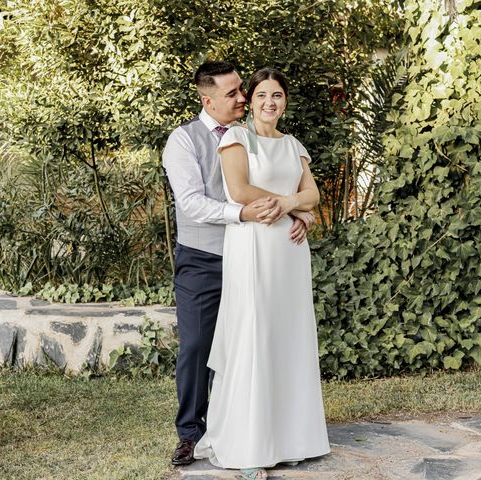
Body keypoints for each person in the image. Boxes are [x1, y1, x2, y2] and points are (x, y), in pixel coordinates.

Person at [162, 61, 312, 467]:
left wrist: (299, 211)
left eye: (242, 89)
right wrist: (245, 214)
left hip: (254, 256)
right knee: (198, 345)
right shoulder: (184, 140)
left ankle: (236, 426)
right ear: (207, 100)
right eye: (233, 93)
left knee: (247, 343)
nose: (243, 98)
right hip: (204, 257)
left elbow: (290, 188)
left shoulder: (255, 135)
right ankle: (191, 433)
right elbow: (191, 203)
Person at [193, 68, 330, 479]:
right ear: (250, 101)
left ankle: (288, 439)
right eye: (262, 95)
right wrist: (294, 205)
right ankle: (247, 443)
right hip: (254, 245)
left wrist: (297, 207)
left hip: (289, 253)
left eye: (278, 95)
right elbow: (239, 190)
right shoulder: (237, 138)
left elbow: (313, 194)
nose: (270, 102)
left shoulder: (292, 145)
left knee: (287, 336)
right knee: (255, 333)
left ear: (285, 101)